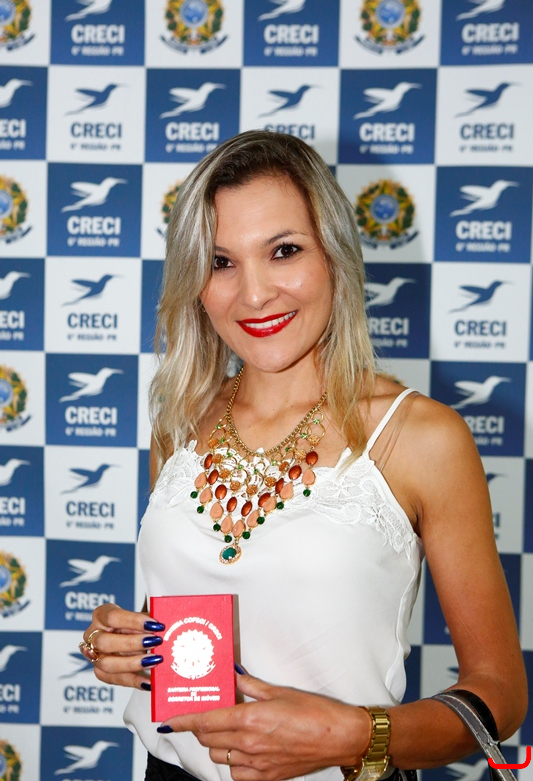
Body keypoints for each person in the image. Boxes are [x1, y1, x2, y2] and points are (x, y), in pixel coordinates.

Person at [80, 131, 527, 781]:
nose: (254, 294)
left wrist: (354, 735)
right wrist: (126, 643)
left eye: (283, 251)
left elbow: (500, 696)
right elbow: (201, 626)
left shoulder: (421, 436)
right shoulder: (181, 423)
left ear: (334, 256)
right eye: (221, 262)